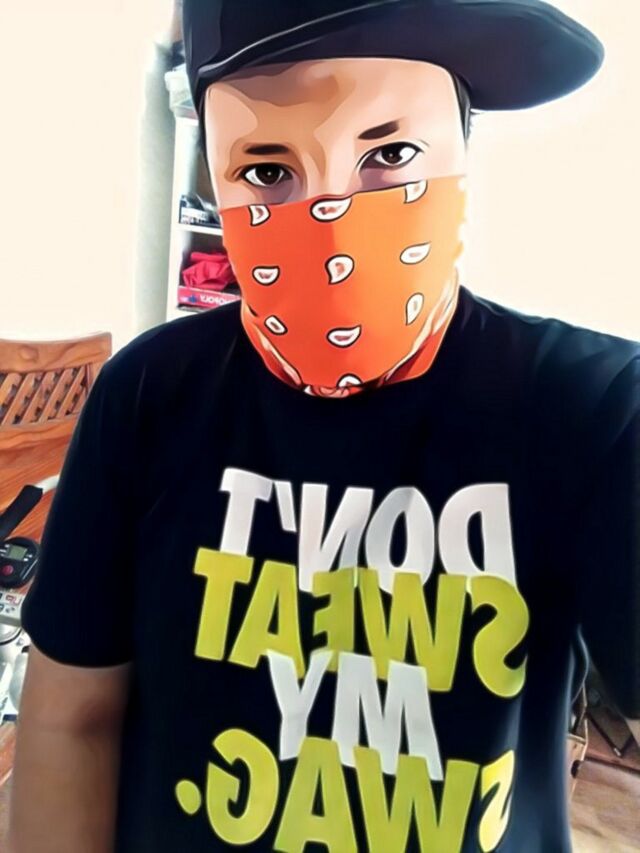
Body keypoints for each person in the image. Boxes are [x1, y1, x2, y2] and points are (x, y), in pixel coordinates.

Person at [8, 1, 639, 851]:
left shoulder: (593, 406)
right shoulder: (148, 394)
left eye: (391, 155)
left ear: (463, 149)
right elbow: (70, 718)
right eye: (268, 169)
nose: (332, 221)